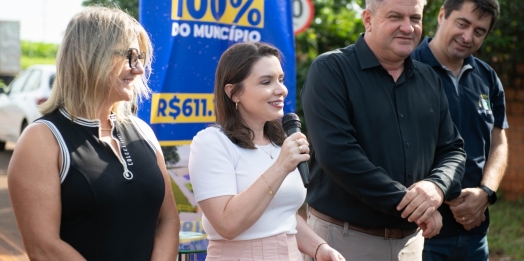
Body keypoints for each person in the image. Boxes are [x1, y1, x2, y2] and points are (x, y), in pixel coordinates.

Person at [7, 7, 180, 261]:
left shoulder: (142, 131)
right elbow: (43, 247)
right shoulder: (42, 139)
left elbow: (168, 220)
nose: (139, 69)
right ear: (91, 56)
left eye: (141, 58)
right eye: (130, 57)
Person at [300, 0, 468, 260]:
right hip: (342, 242)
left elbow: (453, 150)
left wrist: (436, 187)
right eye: (395, 17)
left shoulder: (430, 80)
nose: (408, 27)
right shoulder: (331, 70)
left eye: (415, 18)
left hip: (411, 245)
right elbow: (338, 154)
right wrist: (416, 207)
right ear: (368, 19)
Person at [188, 42, 344, 261]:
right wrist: (280, 167)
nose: (281, 90)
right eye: (266, 82)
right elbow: (227, 225)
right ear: (233, 93)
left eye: (280, 79)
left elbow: (282, 216)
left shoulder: (280, 142)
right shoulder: (212, 142)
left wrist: (320, 248)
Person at [411, 0, 508, 259]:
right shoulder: (407, 68)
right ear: (443, 15)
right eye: (462, 24)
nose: (467, 37)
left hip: (474, 234)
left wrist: (486, 193)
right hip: (420, 234)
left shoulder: (487, 77)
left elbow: (498, 141)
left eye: (479, 31)